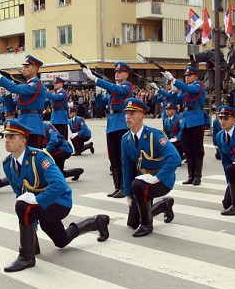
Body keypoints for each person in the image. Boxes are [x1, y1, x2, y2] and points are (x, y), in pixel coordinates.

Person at [1, 119, 109, 273]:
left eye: (12, 137)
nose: (7, 140)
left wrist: (37, 200)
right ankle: (97, 221)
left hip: (59, 202)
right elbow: (21, 193)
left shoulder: (39, 157)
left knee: (21, 206)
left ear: (23, 141)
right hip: (40, 206)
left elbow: (60, 186)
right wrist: (33, 226)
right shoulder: (8, 164)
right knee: (62, 241)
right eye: (6, 136)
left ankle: (26, 256)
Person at [121, 98, 180, 237]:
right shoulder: (126, 138)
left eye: (132, 113)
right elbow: (127, 167)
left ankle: (147, 225)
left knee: (138, 186)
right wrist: (128, 193)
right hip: (142, 182)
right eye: (126, 113)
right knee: (132, 222)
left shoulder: (155, 135)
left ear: (141, 116)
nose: (128, 116)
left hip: (161, 180)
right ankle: (164, 205)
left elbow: (174, 158)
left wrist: (156, 178)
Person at [83, 63, 133, 197]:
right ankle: (117, 186)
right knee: (114, 158)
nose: (117, 73)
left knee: (123, 157)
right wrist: (98, 93)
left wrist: (95, 79)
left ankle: (125, 187)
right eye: (116, 72)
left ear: (126, 74)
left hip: (122, 124)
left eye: (120, 72)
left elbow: (115, 88)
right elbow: (100, 104)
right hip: (112, 125)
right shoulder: (113, 92)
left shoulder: (126, 86)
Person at [0, 55, 47, 149]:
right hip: (21, 123)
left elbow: (15, 88)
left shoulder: (35, 84)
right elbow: (12, 108)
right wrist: (7, 95)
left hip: (33, 125)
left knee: (34, 158)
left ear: (35, 69)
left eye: (27, 67)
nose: (23, 69)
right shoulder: (27, 86)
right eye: (23, 67)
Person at [162, 66, 207, 185]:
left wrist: (173, 79)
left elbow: (189, 89)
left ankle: (197, 176)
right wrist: (172, 90)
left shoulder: (198, 85)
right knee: (187, 148)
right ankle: (190, 175)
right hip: (186, 120)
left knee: (197, 148)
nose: (187, 77)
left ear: (196, 76)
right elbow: (176, 101)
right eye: (186, 76)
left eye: (190, 75)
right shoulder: (186, 89)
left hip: (196, 119)